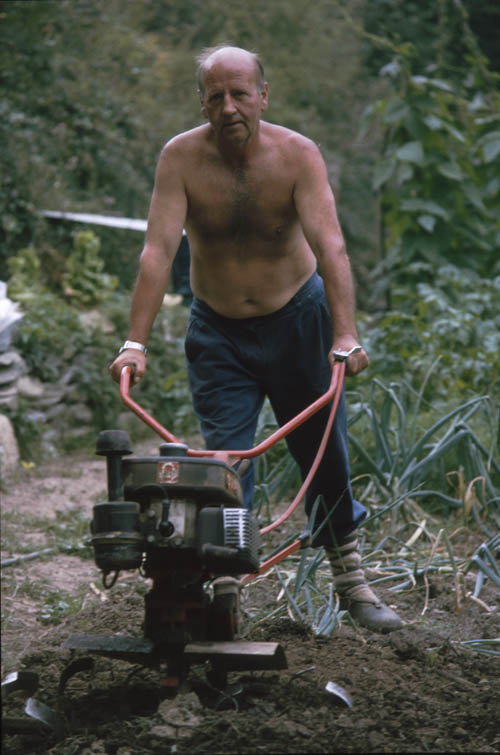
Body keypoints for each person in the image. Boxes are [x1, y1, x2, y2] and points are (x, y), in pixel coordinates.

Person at [110, 45, 403, 633]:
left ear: (263, 96)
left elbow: (331, 247)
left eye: (240, 94)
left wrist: (345, 333)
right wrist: (134, 342)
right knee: (225, 459)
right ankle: (226, 583)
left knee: (324, 453)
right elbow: (157, 252)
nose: (229, 107)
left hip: (299, 321)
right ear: (202, 103)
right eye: (215, 96)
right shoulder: (180, 158)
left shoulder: (297, 155)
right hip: (218, 332)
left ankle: (351, 579)